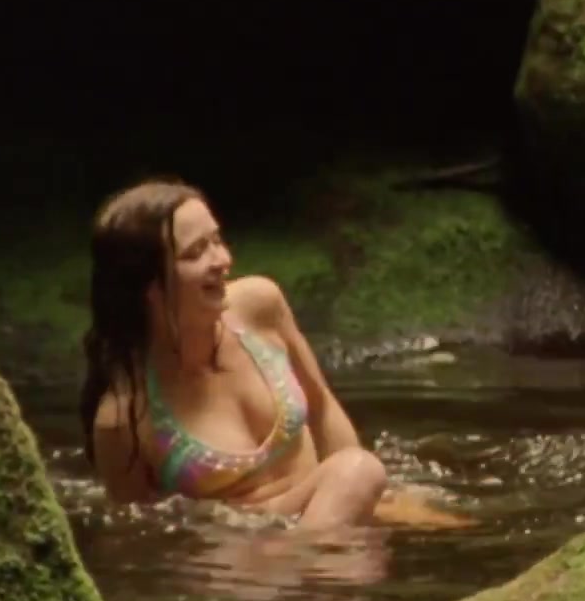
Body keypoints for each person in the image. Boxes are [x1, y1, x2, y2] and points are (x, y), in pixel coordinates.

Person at [78, 178, 390, 531]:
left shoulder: (260, 307)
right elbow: (136, 534)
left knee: (368, 477)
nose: (223, 260)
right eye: (196, 252)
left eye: (217, 240)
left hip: (327, 510)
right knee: (358, 471)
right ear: (147, 286)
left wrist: (365, 502)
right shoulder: (125, 419)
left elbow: (321, 407)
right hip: (243, 551)